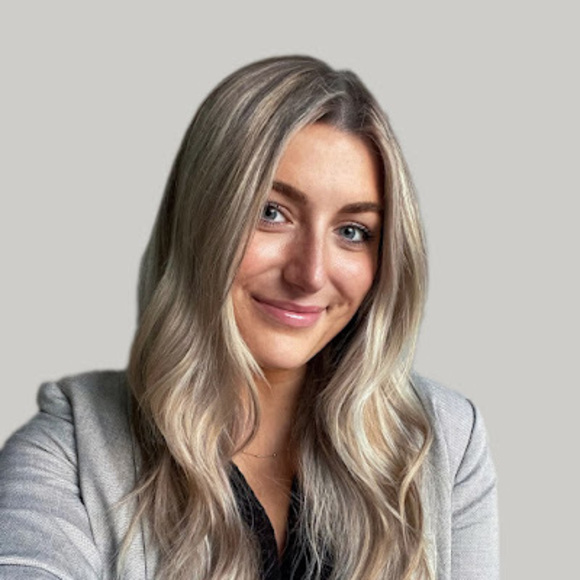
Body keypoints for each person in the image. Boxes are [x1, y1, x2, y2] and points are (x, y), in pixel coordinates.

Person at [0, 55, 499, 580]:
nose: (310, 274)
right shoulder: (72, 453)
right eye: (271, 212)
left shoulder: (443, 445)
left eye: (352, 231)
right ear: (200, 220)